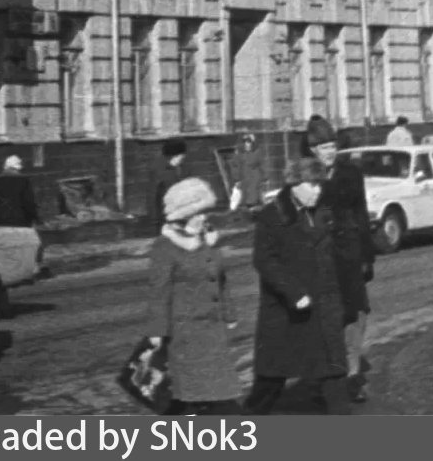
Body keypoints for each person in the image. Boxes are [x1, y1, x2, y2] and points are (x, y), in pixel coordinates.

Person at [246, 156, 349, 415]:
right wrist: (293, 292)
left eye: (320, 184)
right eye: (312, 184)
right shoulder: (272, 215)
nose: (318, 190)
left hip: (324, 305)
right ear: (294, 184)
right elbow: (264, 260)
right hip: (287, 309)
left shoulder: (324, 212)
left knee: (333, 370)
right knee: (272, 377)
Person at [143, 176, 239, 413]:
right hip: (185, 331)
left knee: (214, 391)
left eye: (205, 212)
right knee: (190, 392)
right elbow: (159, 291)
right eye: (198, 213)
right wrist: (157, 331)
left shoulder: (207, 240)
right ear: (183, 215)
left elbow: (220, 279)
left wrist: (229, 313)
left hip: (212, 328)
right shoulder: (165, 247)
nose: (204, 218)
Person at [303, 114, 375, 402]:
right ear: (313, 151)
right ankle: (326, 379)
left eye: (332, 146)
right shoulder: (304, 176)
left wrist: (367, 256)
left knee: (356, 315)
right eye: (324, 147)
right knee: (324, 320)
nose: (330, 152)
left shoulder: (350, 173)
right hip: (319, 257)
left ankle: (353, 377)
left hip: (349, 254)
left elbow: (361, 212)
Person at [0, 154, 38, 228]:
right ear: (18, 168)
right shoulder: (24, 181)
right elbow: (29, 203)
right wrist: (34, 218)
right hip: (20, 223)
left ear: (5, 167)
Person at [151, 138, 189, 225]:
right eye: (180, 157)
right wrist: (154, 218)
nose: (181, 159)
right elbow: (153, 194)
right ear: (172, 156)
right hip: (165, 213)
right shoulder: (159, 170)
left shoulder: (181, 168)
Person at [228, 133, 264, 215]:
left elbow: (261, 164)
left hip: (254, 176)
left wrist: (264, 176)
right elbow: (234, 165)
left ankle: (252, 209)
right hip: (243, 176)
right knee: (242, 194)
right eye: (246, 142)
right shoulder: (239, 153)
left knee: (253, 194)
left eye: (249, 142)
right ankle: (242, 210)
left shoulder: (257, 151)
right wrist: (237, 178)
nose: (247, 144)